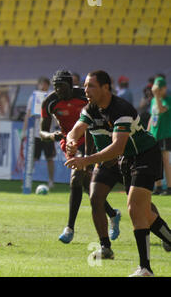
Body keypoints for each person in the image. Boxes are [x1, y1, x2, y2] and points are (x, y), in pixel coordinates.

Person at [65, 70, 171, 277]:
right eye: (85, 86)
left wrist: (85, 160)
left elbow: (117, 148)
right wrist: (70, 141)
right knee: (146, 214)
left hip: (145, 155)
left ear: (106, 88)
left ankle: (145, 269)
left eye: (91, 86)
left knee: (134, 208)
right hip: (128, 160)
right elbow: (75, 130)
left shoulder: (121, 109)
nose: (86, 90)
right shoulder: (91, 109)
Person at [40, 70, 121, 244]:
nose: (59, 91)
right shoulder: (50, 102)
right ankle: (113, 214)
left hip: (90, 138)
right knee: (85, 183)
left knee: (77, 177)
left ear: (71, 85)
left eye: (62, 87)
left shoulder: (84, 96)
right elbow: (42, 132)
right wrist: (50, 136)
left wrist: (88, 154)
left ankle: (69, 228)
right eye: (56, 88)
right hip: (68, 142)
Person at [21, 77, 55, 189]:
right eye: (41, 84)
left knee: (50, 158)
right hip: (35, 133)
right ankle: (26, 179)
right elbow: (28, 114)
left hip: (48, 132)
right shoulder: (33, 98)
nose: (43, 86)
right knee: (32, 158)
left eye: (45, 84)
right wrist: (24, 131)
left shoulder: (52, 97)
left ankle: (51, 181)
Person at [147, 76, 171, 196]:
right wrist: (147, 131)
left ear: (164, 89)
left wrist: (156, 96)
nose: (158, 91)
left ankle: (170, 187)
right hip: (154, 135)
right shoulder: (153, 101)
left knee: (165, 161)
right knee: (155, 161)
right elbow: (152, 116)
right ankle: (158, 186)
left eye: (160, 89)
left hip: (165, 134)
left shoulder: (167, 99)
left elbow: (161, 110)